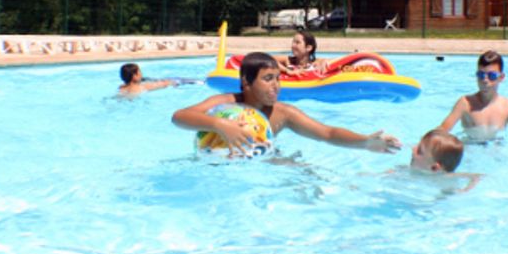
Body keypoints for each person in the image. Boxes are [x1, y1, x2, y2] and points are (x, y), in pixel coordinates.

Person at [172, 52, 401, 157]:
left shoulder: (282, 114)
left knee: (303, 173)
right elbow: (179, 117)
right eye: (268, 79)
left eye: (278, 79)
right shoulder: (226, 102)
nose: (276, 86)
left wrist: (365, 142)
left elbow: (327, 133)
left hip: (264, 159)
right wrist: (220, 126)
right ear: (246, 82)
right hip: (216, 157)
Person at [438, 50, 508, 144]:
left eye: (491, 76)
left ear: (501, 77)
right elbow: (443, 129)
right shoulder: (465, 103)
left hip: (497, 152)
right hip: (471, 152)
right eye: (481, 75)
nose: (485, 80)